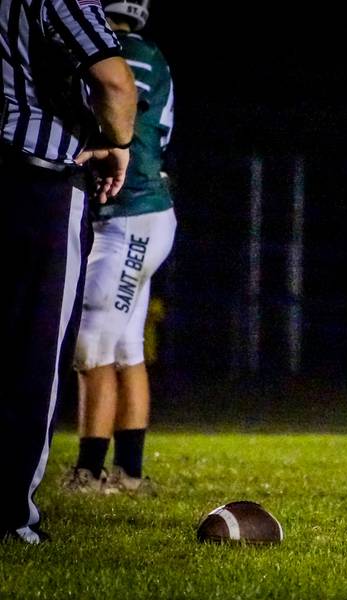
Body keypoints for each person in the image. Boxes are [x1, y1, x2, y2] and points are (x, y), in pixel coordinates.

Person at [0, 0, 137, 543]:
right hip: (34, 182)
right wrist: (120, 145)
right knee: (32, 353)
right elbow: (115, 82)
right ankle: (10, 516)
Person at [63, 0, 176, 495]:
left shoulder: (106, 54)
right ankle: (129, 472)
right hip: (147, 212)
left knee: (92, 344)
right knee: (125, 346)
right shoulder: (152, 53)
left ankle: (89, 471)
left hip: (129, 214)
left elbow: (108, 101)